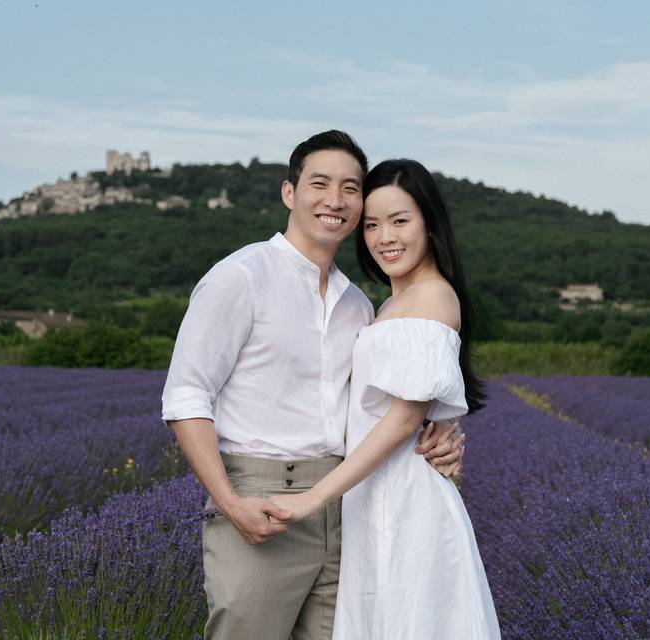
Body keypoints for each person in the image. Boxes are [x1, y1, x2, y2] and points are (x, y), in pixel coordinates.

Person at [162, 131, 466, 640]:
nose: (336, 200)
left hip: (349, 506)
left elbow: (389, 403)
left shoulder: (358, 305)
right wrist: (231, 502)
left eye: (351, 189)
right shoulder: (242, 276)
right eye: (319, 183)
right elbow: (186, 395)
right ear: (289, 192)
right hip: (263, 498)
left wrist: (441, 434)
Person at [270, 159, 501, 639]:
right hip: (371, 497)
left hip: (405, 503)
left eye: (400, 220)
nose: (384, 237)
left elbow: (400, 421)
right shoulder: (389, 303)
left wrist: (310, 499)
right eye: (372, 224)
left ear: (429, 224)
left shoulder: (433, 297)